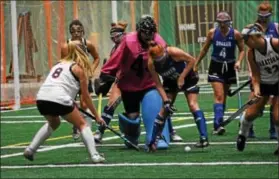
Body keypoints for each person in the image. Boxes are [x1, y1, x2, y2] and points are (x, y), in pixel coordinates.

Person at [95, 15, 171, 149]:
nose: (148, 37)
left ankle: (157, 137)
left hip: (149, 83)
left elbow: (165, 63)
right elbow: (116, 59)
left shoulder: (159, 43)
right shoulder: (128, 41)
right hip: (129, 86)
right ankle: (131, 135)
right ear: (139, 31)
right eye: (145, 33)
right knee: (132, 119)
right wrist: (105, 76)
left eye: (151, 33)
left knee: (153, 105)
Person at [23, 42, 106, 163]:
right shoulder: (78, 69)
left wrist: (70, 101)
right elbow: (86, 98)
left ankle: (30, 150)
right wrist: (97, 116)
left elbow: (60, 85)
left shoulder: (57, 65)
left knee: (54, 122)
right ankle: (95, 155)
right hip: (59, 99)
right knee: (82, 124)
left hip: (42, 98)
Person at [146, 42, 209, 151]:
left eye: (162, 58)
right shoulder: (151, 64)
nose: (161, 62)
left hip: (188, 76)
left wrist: (182, 77)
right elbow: (158, 84)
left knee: (193, 105)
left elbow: (192, 60)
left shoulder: (173, 52)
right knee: (164, 110)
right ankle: (153, 142)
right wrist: (166, 101)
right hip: (170, 81)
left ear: (164, 51)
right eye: (158, 60)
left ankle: (204, 138)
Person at [194, 11, 245, 135]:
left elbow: (243, 50)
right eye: (220, 22)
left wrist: (238, 61)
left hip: (229, 66)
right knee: (219, 94)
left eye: (224, 23)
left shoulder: (235, 34)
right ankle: (217, 125)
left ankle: (220, 122)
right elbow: (205, 49)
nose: (222, 25)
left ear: (229, 22)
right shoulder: (212, 33)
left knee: (224, 96)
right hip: (216, 65)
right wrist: (196, 63)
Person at [237, 23, 279, 155]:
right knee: (250, 114)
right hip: (264, 83)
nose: (245, 42)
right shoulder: (252, 54)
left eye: (246, 39)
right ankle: (242, 135)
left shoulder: (276, 44)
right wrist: (256, 89)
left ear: (254, 37)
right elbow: (255, 76)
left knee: (277, 117)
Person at [61, 19, 100, 140]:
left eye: (78, 31)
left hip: (84, 77)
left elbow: (97, 58)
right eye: (73, 31)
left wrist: (91, 71)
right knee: (71, 103)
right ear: (70, 32)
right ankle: (76, 124)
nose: (76, 33)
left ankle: (86, 129)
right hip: (72, 78)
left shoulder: (87, 44)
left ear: (83, 31)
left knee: (84, 103)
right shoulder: (67, 45)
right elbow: (63, 62)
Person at [248, 1, 278, 139]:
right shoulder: (252, 28)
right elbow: (250, 50)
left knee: (275, 103)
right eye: (261, 15)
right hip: (259, 70)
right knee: (255, 100)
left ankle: (273, 131)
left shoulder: (276, 28)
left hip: (275, 71)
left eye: (266, 15)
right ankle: (248, 127)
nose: (264, 18)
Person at [94, 21, 128, 142]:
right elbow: (113, 70)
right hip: (122, 80)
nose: (114, 40)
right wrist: (105, 82)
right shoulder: (114, 50)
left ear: (123, 35)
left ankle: (169, 131)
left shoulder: (131, 43)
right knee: (111, 105)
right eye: (112, 38)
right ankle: (100, 131)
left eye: (117, 37)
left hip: (138, 80)